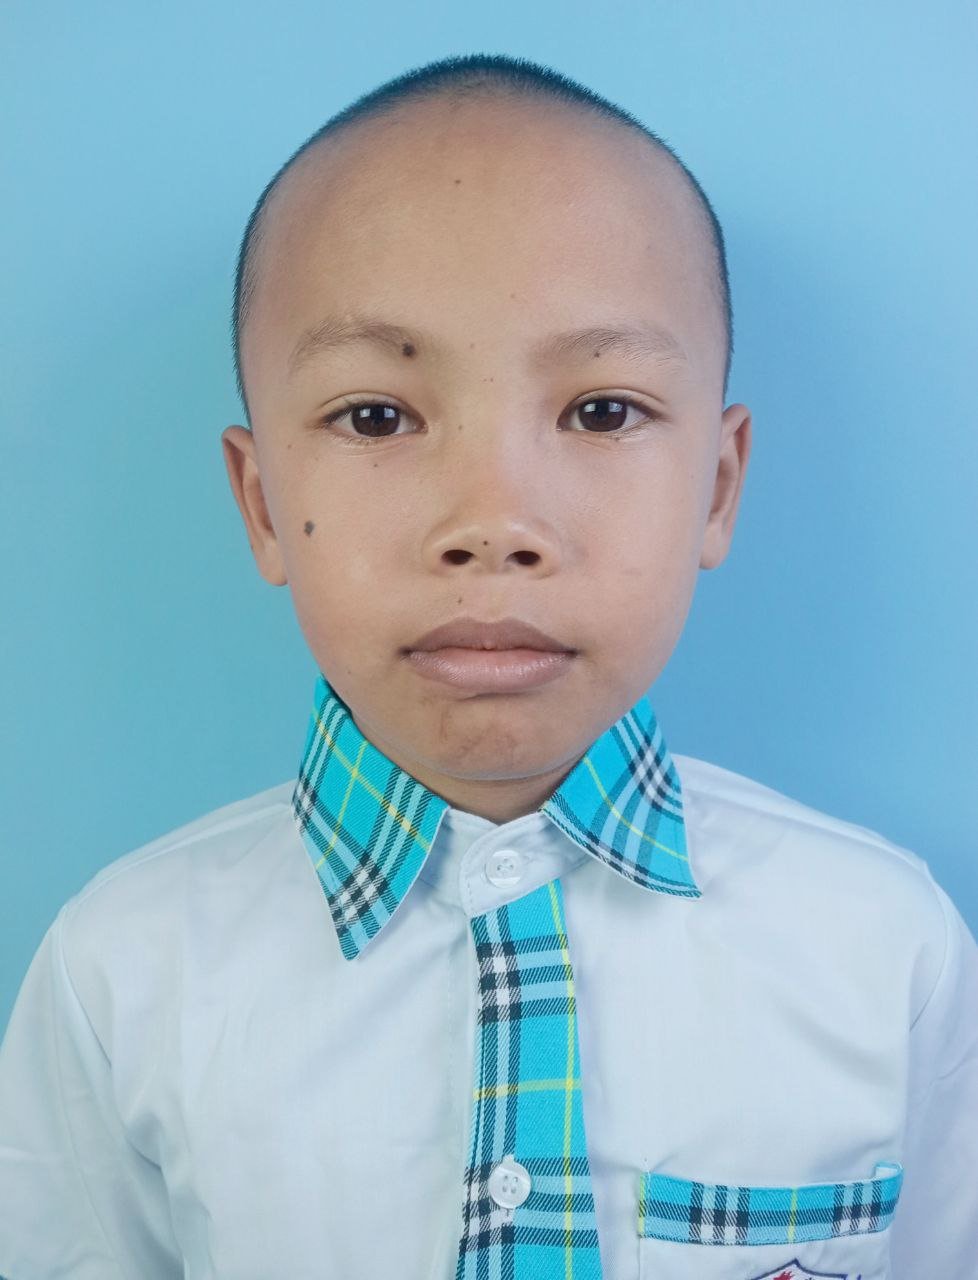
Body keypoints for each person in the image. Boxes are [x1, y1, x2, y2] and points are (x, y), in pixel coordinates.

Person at [1, 53, 975, 1280]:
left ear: (718, 488)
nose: (495, 521)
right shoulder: (120, 972)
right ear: (260, 503)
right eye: (377, 415)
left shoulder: (884, 948)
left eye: (602, 410)